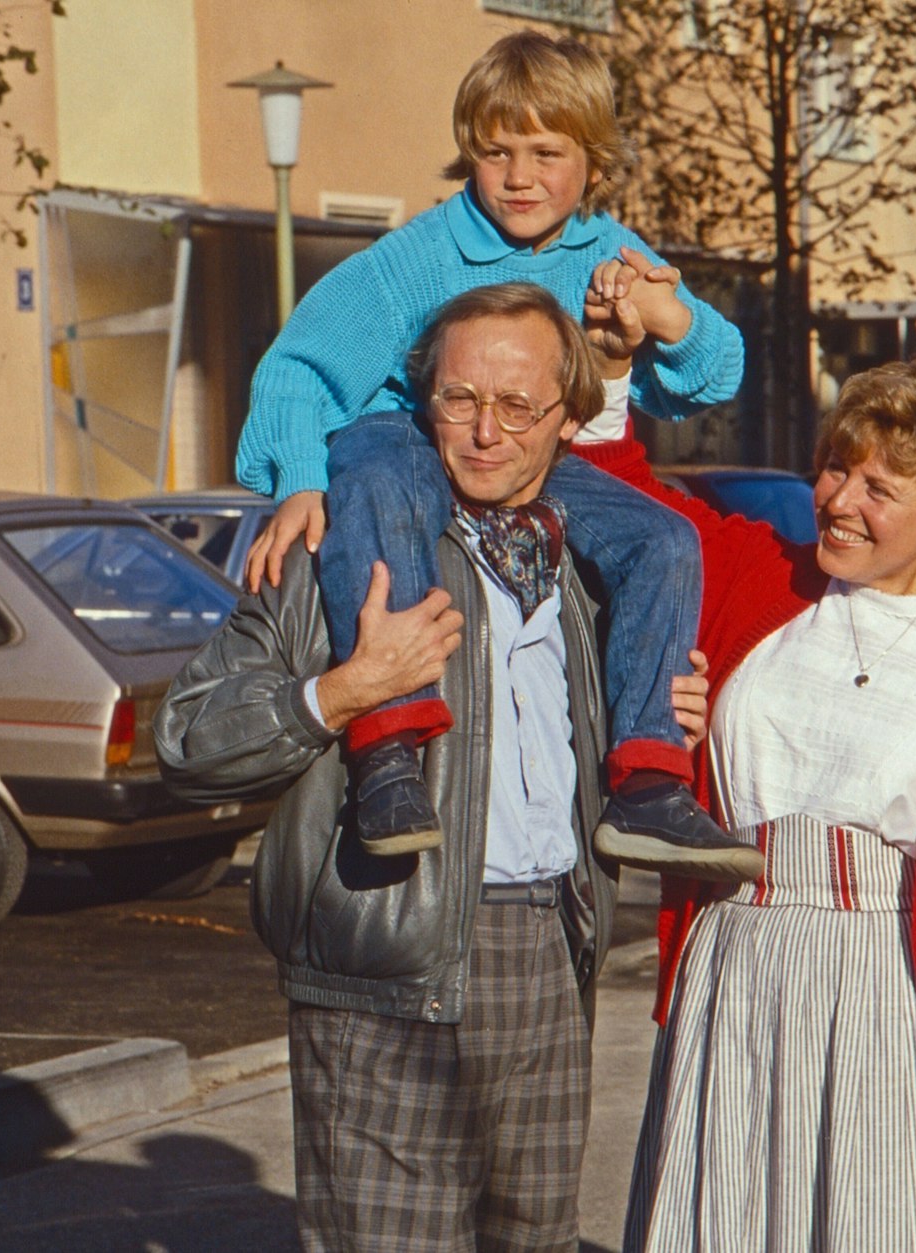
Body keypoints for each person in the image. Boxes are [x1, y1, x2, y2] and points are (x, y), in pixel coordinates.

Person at [156, 285, 707, 1251]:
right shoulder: (339, 552)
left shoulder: (590, 571)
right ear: (424, 401)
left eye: (518, 406)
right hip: (384, 968)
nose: (486, 433)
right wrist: (346, 690)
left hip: (551, 956)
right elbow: (188, 739)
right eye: (460, 400)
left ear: (569, 417)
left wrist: (661, 714)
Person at [571, 356, 916, 1252]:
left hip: (902, 991)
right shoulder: (756, 577)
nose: (839, 500)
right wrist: (615, 363)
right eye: (834, 468)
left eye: (879, 488)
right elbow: (619, 493)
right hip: (739, 970)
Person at [236, 30, 756, 882]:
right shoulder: (419, 256)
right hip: (414, 434)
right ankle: (389, 753)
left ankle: (648, 780)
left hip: (530, 458)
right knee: (378, 469)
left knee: (666, 538)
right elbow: (298, 366)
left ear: (593, 160)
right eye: (496, 152)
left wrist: (669, 319)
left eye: (547, 154)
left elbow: (714, 375)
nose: (520, 177)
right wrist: (298, 478)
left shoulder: (611, 252)